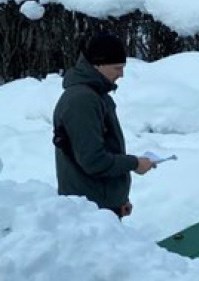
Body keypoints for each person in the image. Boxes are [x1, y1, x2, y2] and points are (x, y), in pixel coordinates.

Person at [53, 32, 154, 219]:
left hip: (101, 206)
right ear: (98, 65)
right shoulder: (82, 100)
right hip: (89, 212)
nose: (121, 74)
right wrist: (134, 163)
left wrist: (118, 200)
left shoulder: (97, 95)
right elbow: (94, 161)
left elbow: (107, 148)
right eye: (117, 68)